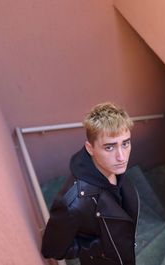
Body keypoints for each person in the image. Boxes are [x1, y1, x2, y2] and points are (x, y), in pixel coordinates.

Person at [41, 102, 139, 265]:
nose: (121, 157)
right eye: (109, 147)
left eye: (125, 143)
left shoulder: (116, 170)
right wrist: (98, 247)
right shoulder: (74, 203)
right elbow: (52, 249)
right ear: (90, 148)